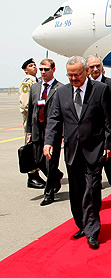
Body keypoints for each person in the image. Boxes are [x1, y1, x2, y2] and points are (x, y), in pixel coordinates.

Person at [43, 56, 111, 249]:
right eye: (70, 75)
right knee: (76, 192)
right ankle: (81, 224)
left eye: (77, 74)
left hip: (95, 149)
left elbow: (109, 121)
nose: (73, 78)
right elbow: (54, 119)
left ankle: (92, 230)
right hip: (72, 150)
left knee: (92, 189)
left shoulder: (100, 90)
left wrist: (110, 144)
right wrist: (49, 142)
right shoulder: (62, 92)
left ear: (86, 71)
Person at [25, 59, 64, 205]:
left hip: (52, 131)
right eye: (41, 69)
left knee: (50, 162)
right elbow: (31, 111)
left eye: (46, 69)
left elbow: (64, 113)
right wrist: (29, 130)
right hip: (37, 130)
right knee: (38, 160)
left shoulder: (60, 88)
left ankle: (49, 193)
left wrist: (62, 134)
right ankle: (57, 176)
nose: (42, 72)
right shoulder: (35, 88)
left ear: (53, 70)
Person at [87, 55, 111, 203]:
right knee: (93, 171)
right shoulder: (85, 86)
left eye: (98, 66)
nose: (95, 69)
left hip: (109, 134)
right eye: (92, 67)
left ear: (102, 67)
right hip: (90, 135)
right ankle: (95, 199)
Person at [19, 58, 46, 189]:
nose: (34, 67)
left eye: (35, 65)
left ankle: (37, 173)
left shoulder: (38, 81)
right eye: (31, 65)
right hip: (31, 121)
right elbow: (25, 104)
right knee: (30, 148)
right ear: (25, 70)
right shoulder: (27, 82)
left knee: (38, 148)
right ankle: (32, 177)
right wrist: (30, 121)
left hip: (39, 121)